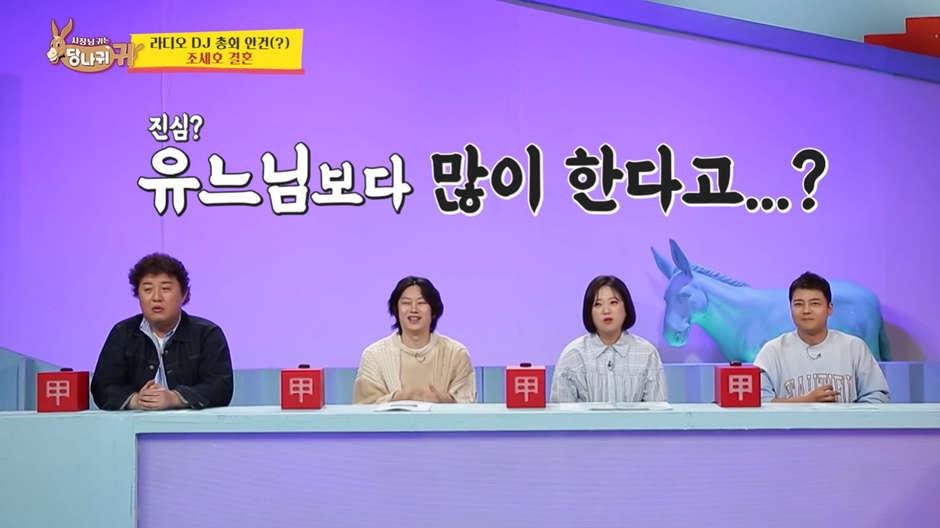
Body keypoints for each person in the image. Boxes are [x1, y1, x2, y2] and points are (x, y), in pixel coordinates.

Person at [90, 253, 234, 410]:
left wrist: (175, 398)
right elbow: (102, 387)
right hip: (134, 423)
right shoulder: (122, 333)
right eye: (148, 289)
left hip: (191, 424)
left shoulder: (206, 334)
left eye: (165, 289)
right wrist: (137, 400)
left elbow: (220, 387)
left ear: (183, 294)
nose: (156, 297)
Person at [753, 272, 889, 404]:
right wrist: (806, 401)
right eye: (798, 304)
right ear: (791, 309)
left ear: (829, 308)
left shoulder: (854, 347)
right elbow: (759, 402)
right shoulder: (772, 351)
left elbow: (877, 397)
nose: (806, 310)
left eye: (815, 304)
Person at [353, 276, 476, 404]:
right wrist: (396, 399)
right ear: (396, 310)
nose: (413, 309)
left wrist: (444, 402)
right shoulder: (374, 355)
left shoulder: (456, 354)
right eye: (406, 303)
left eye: (421, 303)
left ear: (433, 311)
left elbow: (467, 406)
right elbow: (364, 407)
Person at [550, 276, 667, 403]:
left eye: (613, 302)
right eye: (598, 304)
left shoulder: (647, 353)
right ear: (589, 312)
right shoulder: (573, 355)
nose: (606, 310)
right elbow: (561, 413)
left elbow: (658, 410)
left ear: (626, 309)